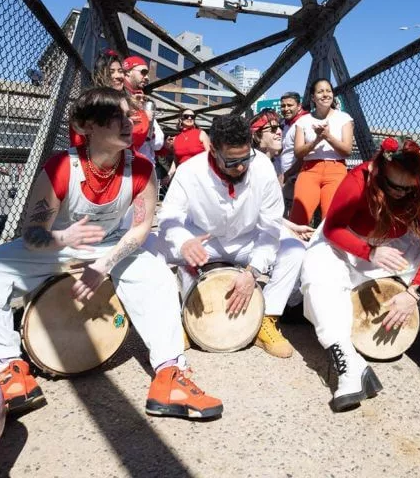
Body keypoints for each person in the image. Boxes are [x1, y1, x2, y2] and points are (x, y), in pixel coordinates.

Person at [0, 86, 223, 420]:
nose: (127, 122)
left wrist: (103, 265)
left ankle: (170, 376)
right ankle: (8, 369)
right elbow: (32, 233)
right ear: (87, 126)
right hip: (58, 244)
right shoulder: (62, 167)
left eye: (129, 114)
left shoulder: (141, 169)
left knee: (157, 278)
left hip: (112, 245)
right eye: (115, 116)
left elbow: (139, 230)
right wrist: (64, 236)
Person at [299, 138, 420, 411]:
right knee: (317, 266)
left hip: (396, 246)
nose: (399, 193)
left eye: (407, 188)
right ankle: (348, 363)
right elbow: (333, 228)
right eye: (392, 185)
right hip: (350, 243)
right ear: (380, 170)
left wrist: (414, 292)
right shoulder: (359, 177)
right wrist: (370, 252)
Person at [150, 114, 306, 359]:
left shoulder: (263, 166)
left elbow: (270, 228)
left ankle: (267, 317)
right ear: (213, 150)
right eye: (232, 161)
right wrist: (183, 242)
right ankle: (178, 318)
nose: (241, 166)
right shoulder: (190, 170)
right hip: (202, 241)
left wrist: (253, 271)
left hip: (247, 240)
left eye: (245, 158)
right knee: (154, 251)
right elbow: (169, 216)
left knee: (295, 251)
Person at [289, 79, 353, 226]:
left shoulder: (344, 118)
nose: (325, 94)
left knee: (331, 219)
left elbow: (347, 150)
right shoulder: (303, 121)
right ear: (313, 97)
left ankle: (328, 247)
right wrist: (317, 140)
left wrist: (327, 136)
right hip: (309, 170)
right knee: (298, 217)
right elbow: (298, 152)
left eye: (328, 91)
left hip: (336, 170)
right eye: (320, 91)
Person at [249, 109, 315, 242]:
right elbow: (254, 215)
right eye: (273, 129)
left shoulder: (264, 162)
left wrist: (293, 226)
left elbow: (266, 212)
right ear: (257, 135)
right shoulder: (256, 165)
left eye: (279, 127)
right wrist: (289, 231)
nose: (279, 131)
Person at [70, 49, 124, 147]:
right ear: (100, 75)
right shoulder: (90, 102)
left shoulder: (124, 102)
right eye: (111, 72)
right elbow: (78, 142)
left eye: (120, 71)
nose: (118, 76)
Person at [121, 56, 165, 165]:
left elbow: (159, 142)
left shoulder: (145, 105)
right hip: (124, 163)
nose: (147, 78)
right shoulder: (118, 96)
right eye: (143, 72)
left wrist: (149, 126)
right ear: (127, 73)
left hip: (143, 164)